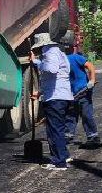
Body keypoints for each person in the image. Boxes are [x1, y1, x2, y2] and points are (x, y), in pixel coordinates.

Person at [31, 32, 74, 170]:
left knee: (56, 130)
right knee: (54, 130)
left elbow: (51, 69)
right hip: (59, 96)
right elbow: (54, 78)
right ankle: (61, 156)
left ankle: (60, 162)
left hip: (56, 98)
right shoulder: (59, 52)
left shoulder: (51, 52)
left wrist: (39, 64)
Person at [62, 31, 100, 148]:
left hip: (83, 91)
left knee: (86, 114)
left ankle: (93, 136)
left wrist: (91, 81)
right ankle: (68, 135)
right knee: (71, 114)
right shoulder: (64, 58)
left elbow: (90, 66)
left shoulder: (76, 58)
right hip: (72, 93)